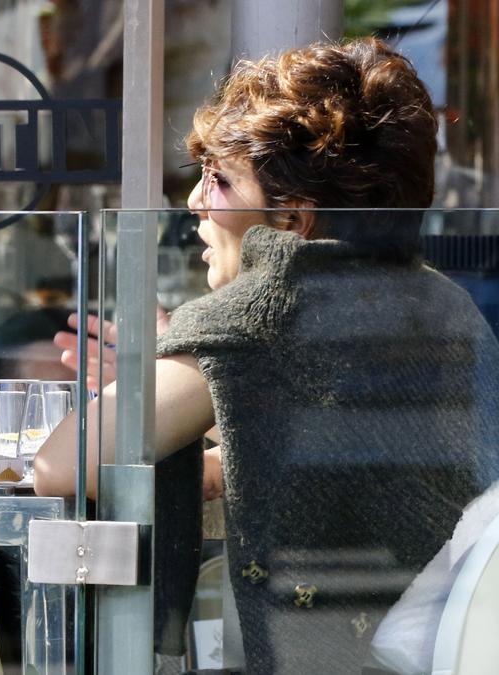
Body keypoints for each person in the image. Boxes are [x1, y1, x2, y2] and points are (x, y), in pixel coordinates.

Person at [36, 38, 499, 674]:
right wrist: (194, 393)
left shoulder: (266, 308)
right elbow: (340, 441)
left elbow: (57, 467)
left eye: (218, 179)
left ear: (293, 219)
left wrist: (177, 364)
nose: (195, 202)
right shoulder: (440, 302)